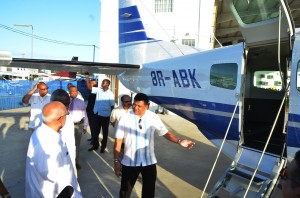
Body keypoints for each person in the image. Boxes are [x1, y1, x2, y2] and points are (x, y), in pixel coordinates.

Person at [113, 93, 195, 198]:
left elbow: (165, 133)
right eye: (134, 104)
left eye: (139, 106)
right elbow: (118, 142)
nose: (135, 108)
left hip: (149, 162)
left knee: (149, 193)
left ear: (147, 106)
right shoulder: (124, 118)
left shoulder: (153, 117)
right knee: (125, 192)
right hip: (130, 162)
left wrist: (179, 141)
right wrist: (116, 161)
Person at [25, 101, 82, 197]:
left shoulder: (46, 132)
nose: (67, 117)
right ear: (60, 119)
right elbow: (57, 182)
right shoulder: (46, 145)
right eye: (66, 114)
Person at [85, 72, 115, 153]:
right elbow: (89, 87)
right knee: (95, 132)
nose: (102, 84)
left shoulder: (110, 94)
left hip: (105, 116)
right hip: (97, 114)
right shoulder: (98, 90)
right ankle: (95, 146)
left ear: (108, 85)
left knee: (105, 133)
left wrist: (112, 118)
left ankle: (103, 147)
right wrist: (87, 77)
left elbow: (112, 106)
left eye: (104, 83)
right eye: (102, 82)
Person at [51, 89, 77, 174]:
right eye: (68, 104)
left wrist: (72, 165)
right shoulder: (43, 119)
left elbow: (70, 143)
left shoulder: (68, 118)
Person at [69, 85, 89, 170]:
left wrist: (85, 126)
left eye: (76, 91)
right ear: (69, 93)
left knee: (77, 144)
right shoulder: (66, 101)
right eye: (73, 91)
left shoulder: (81, 102)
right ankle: (68, 161)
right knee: (68, 143)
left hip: (78, 125)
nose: (75, 93)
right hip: (68, 126)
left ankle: (75, 161)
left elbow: (85, 114)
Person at [86, 79, 97, 144]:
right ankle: (92, 137)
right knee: (91, 125)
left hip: (94, 112)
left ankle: (94, 140)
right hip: (89, 111)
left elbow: (88, 86)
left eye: (93, 83)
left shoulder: (95, 90)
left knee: (94, 126)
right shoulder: (91, 91)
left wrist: (86, 76)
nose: (91, 85)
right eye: (91, 83)